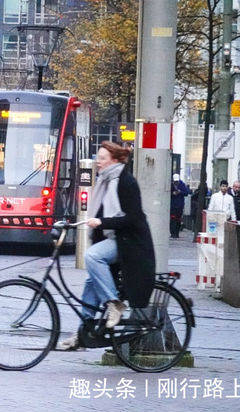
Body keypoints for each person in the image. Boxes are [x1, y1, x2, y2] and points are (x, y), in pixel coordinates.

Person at [58, 141, 155, 350]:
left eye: (102, 158)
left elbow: (133, 218)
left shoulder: (125, 182)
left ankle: (114, 304)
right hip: (116, 240)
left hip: (130, 242)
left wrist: (103, 222)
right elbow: (99, 212)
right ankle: (84, 333)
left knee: (92, 257)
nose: (98, 162)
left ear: (115, 160)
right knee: (91, 283)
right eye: (97, 158)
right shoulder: (104, 181)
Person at [170, 173, 190, 238]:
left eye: (177, 181)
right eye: (175, 181)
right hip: (173, 205)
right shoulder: (171, 185)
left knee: (178, 219)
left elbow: (186, 193)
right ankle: (173, 233)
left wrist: (180, 192)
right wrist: (172, 193)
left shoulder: (182, 184)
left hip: (179, 205)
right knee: (172, 219)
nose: (176, 183)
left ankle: (176, 233)